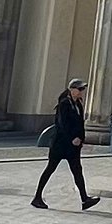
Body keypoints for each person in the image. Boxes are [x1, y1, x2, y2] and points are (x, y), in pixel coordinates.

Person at [32, 78, 100, 210]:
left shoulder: (78, 104)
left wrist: (81, 138)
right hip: (61, 144)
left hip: (73, 146)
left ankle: (84, 199)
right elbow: (62, 125)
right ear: (72, 90)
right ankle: (37, 197)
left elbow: (80, 124)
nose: (81, 92)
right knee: (50, 169)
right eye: (79, 89)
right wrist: (72, 138)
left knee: (77, 171)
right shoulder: (64, 104)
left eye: (82, 89)